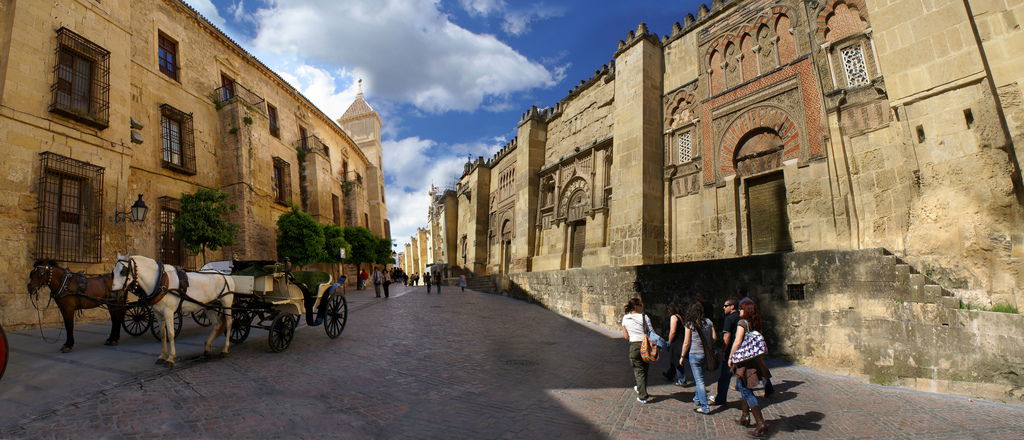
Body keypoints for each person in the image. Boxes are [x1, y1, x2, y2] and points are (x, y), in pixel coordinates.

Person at [728, 301, 771, 437]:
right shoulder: (756, 323)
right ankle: (745, 416)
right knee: (743, 386)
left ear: (745, 311)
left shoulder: (742, 323)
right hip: (753, 360)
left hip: (744, 361)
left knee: (746, 390)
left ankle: (760, 423)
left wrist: (731, 357)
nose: (739, 311)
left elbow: (737, 341)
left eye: (741, 309)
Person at [681, 302, 717, 414]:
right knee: (700, 378)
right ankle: (697, 399)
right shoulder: (709, 322)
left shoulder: (689, 324)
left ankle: (704, 407)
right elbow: (714, 337)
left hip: (694, 354)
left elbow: (686, 342)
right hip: (705, 354)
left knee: (699, 381)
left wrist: (682, 356)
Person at [739, 296, 774, 398]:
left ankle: (752, 393)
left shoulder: (746, 321)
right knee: (760, 368)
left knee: (756, 369)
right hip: (756, 347)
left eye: (741, 308)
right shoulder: (755, 319)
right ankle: (767, 388)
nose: (739, 310)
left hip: (750, 349)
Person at [620, 297, 653, 403]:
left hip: (634, 345)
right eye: (641, 305)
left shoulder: (625, 318)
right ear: (636, 306)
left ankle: (642, 394)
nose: (642, 307)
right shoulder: (645, 317)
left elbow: (625, 336)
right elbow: (651, 332)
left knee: (638, 371)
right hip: (645, 345)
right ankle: (642, 392)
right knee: (644, 369)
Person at [712, 297, 740, 405]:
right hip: (741, 351)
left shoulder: (729, 319)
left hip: (730, 351)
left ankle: (721, 398)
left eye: (726, 305)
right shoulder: (741, 317)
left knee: (724, 377)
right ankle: (749, 402)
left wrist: (723, 351)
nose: (723, 308)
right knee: (742, 377)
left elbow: (727, 336)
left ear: (732, 307)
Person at [662, 300, 692, 386]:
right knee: (674, 359)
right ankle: (670, 374)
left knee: (677, 360)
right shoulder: (681, 316)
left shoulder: (674, 317)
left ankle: (682, 380)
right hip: (682, 339)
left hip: (677, 341)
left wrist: (669, 341)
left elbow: (673, 331)